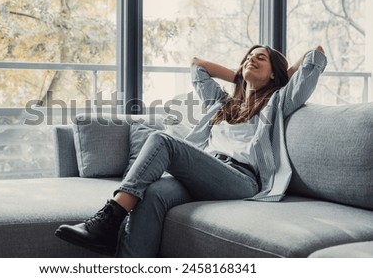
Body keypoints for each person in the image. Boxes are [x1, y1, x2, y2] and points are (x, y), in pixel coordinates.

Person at [55, 44, 327, 257]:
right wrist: (240, 76)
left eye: (261, 59)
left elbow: (316, 56)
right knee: (153, 193)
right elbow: (197, 66)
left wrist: (282, 76)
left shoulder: (278, 101)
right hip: (207, 171)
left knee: (163, 141)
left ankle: (108, 219)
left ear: (274, 73)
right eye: (248, 57)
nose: (251, 60)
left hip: (242, 180)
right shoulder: (222, 103)